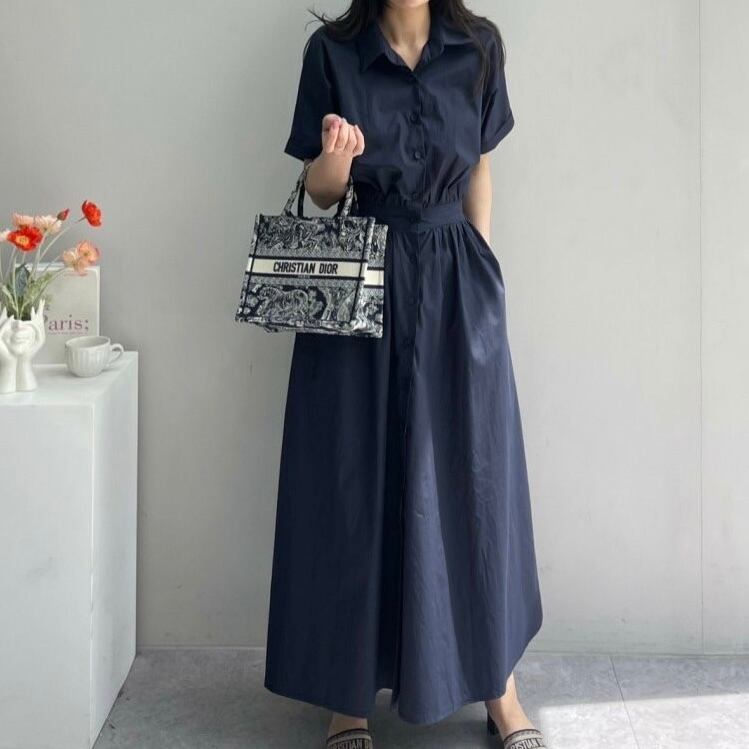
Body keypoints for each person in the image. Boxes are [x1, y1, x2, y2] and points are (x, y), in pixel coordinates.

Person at [264, 2, 545, 747]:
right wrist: (335, 158)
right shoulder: (333, 52)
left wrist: (480, 276)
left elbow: (478, 164)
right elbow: (322, 192)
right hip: (362, 276)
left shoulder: (478, 48)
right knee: (351, 483)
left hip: (456, 281)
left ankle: (499, 688)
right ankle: (346, 696)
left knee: (474, 483)